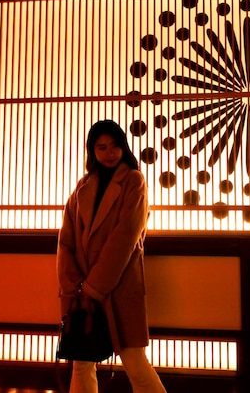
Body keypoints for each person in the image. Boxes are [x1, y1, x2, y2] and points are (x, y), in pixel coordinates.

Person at [57, 120, 167, 393]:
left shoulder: (134, 181)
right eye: (101, 147)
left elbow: (125, 238)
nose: (109, 153)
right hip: (82, 293)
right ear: (92, 151)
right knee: (82, 364)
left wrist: (95, 286)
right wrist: (73, 285)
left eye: (115, 146)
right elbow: (65, 240)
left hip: (119, 286)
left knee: (135, 362)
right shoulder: (83, 186)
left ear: (124, 147)